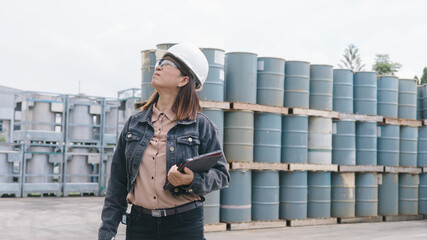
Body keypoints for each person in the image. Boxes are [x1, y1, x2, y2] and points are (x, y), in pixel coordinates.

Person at [98, 43, 230, 240]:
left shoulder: (201, 126)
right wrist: (107, 230)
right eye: (159, 62)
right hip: (140, 225)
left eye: (167, 64)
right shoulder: (134, 124)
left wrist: (191, 180)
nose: (158, 66)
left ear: (184, 79)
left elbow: (221, 175)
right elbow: (118, 181)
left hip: (184, 225)